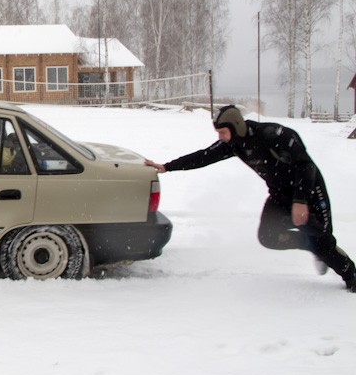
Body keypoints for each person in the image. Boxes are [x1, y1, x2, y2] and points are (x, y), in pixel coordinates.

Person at [144, 104, 356, 293]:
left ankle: (351, 276)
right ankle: (311, 245)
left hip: (308, 191)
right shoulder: (234, 144)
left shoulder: (274, 135)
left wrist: (300, 201)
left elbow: (305, 165)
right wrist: (167, 166)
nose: (220, 137)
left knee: (324, 242)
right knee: (269, 237)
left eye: (223, 132)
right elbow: (204, 156)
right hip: (279, 195)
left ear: (236, 126)